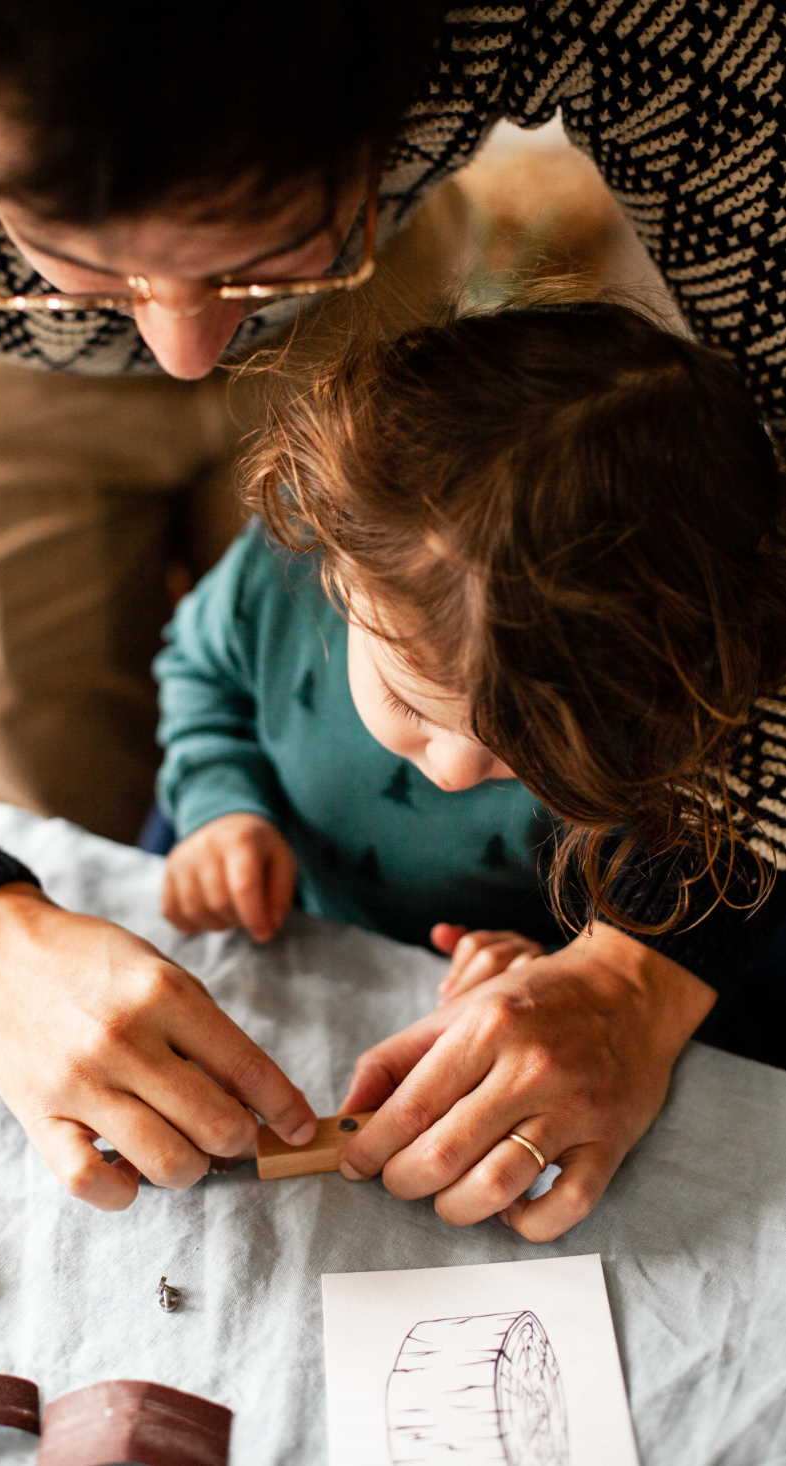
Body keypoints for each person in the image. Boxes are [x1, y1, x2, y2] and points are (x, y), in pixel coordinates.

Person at [0, 1, 781, 1222]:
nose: (190, 347)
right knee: (36, 749)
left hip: (374, 355)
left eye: (270, 246)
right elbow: (209, 682)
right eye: (72, 256)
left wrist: (641, 966)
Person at [156, 298, 786, 1237]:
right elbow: (202, 676)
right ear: (336, 570)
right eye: (410, 703)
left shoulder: (669, 700)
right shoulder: (286, 576)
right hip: (305, 947)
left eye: (528, 748)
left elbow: (690, 908)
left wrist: (564, 960)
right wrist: (219, 806)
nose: (452, 770)